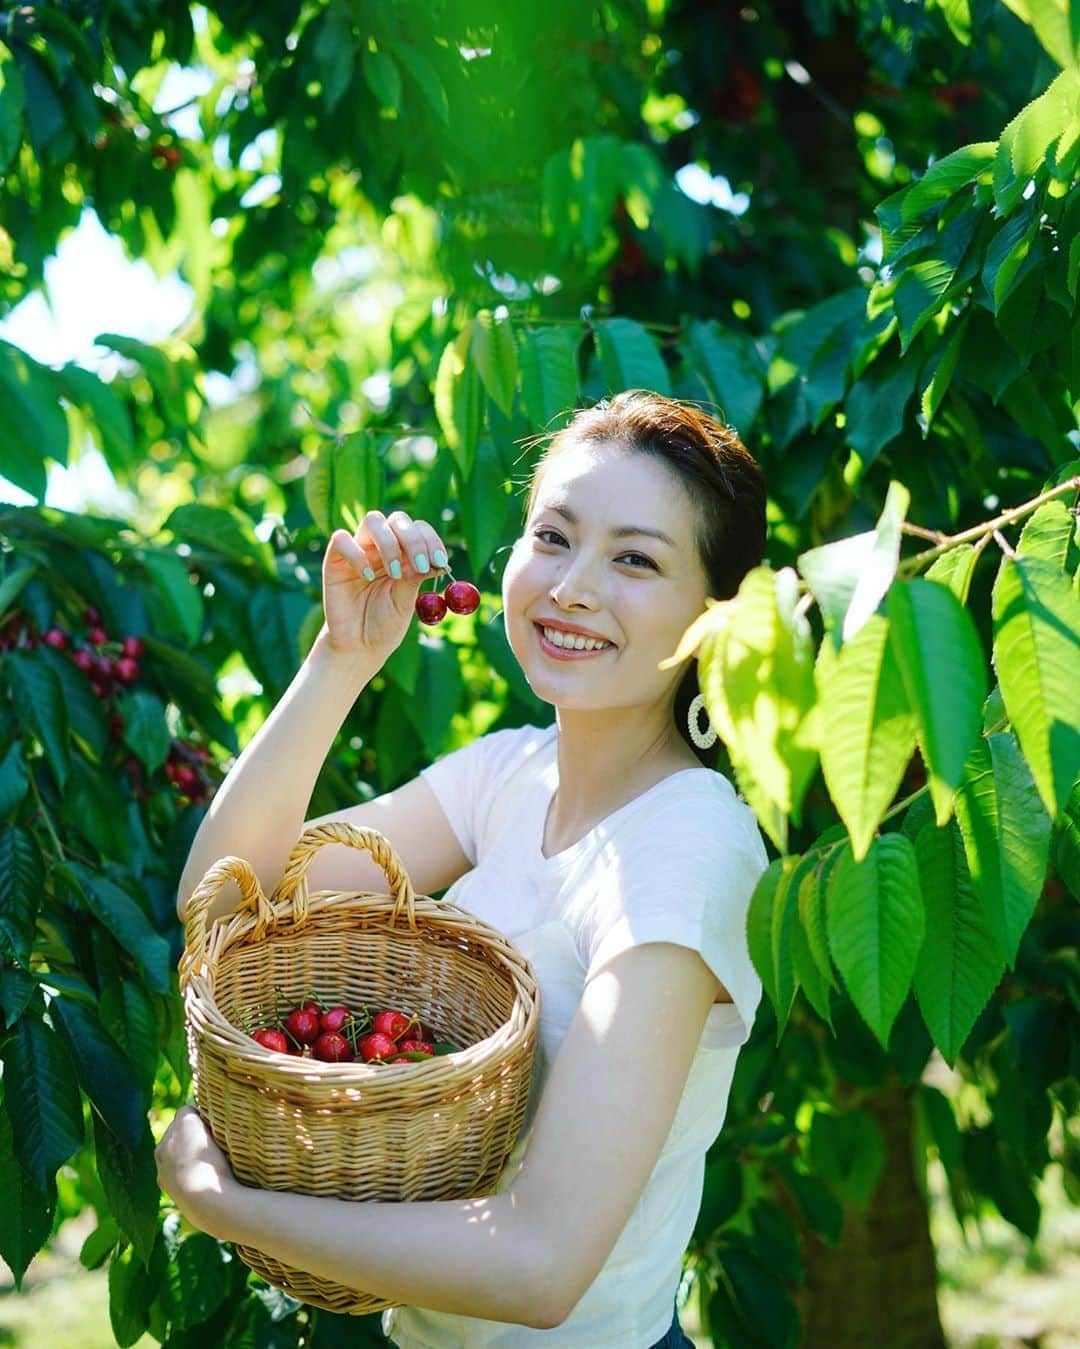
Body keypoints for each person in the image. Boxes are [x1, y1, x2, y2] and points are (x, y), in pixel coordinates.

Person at [156, 389, 770, 1347]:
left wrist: (222, 1201)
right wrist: (340, 660)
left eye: (636, 559)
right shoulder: (512, 771)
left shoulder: (686, 847)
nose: (571, 586)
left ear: (715, 614)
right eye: (553, 536)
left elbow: (542, 1265)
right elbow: (227, 900)